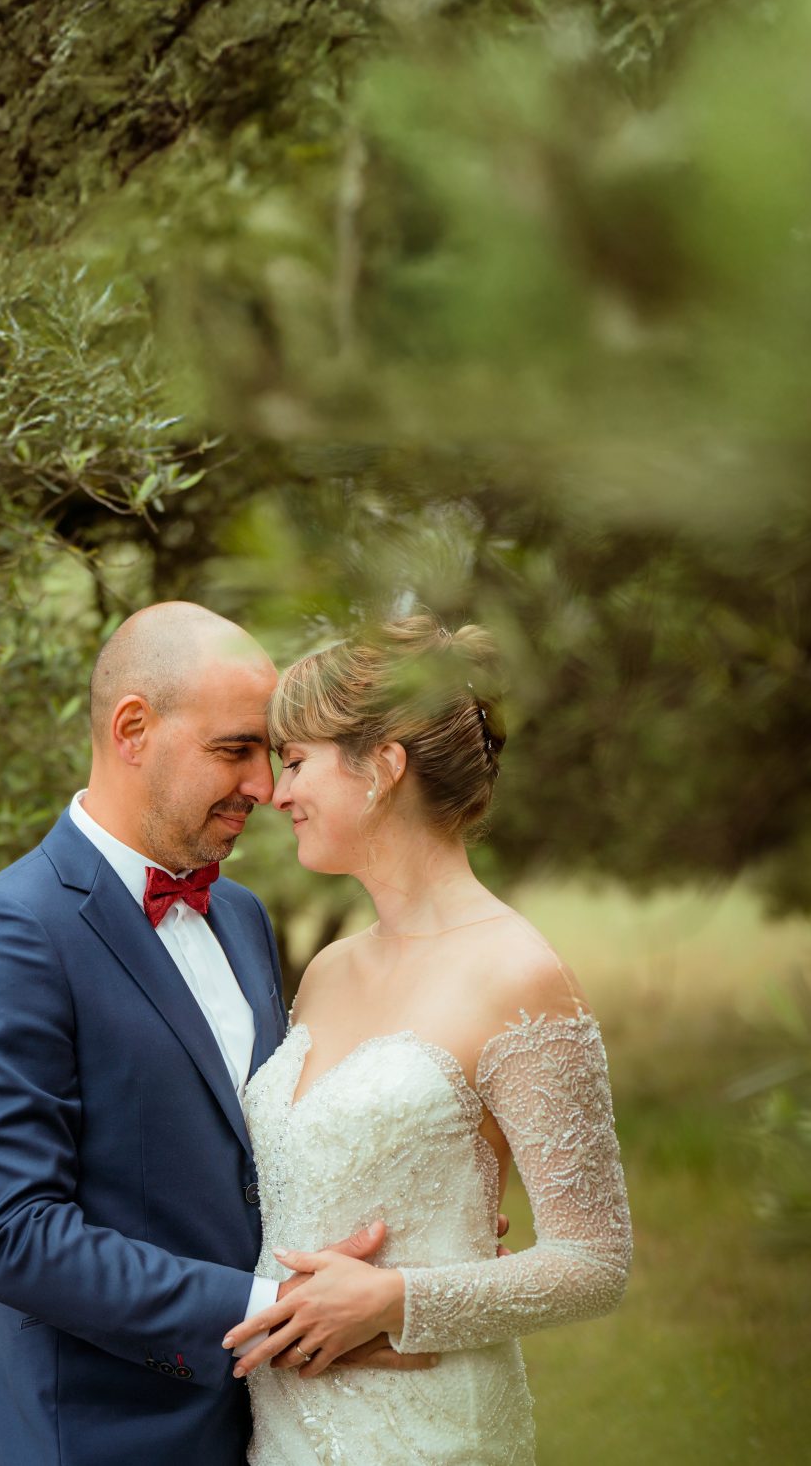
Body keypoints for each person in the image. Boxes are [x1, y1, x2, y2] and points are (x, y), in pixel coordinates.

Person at [0, 603, 451, 1466]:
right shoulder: (8, 934)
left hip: (268, 1433)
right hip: (96, 1438)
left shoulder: (239, 916)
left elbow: (266, 1148)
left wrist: (431, 1220)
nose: (265, 787)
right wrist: (275, 1310)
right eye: (234, 749)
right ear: (134, 729)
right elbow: (14, 1234)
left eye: (271, 756)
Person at [220, 614, 630, 1465]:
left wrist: (398, 1298)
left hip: (429, 1434)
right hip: (283, 1432)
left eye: (296, 762)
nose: (276, 792)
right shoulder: (328, 970)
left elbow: (595, 1260)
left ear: (384, 768)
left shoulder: (517, 975)